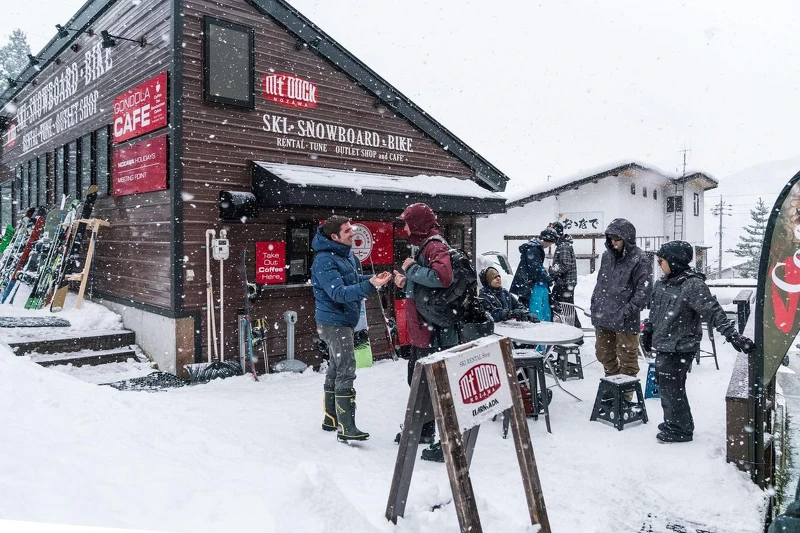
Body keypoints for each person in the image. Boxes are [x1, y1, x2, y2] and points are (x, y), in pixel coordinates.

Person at [641, 241, 755, 443]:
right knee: (666, 384)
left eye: (661, 260)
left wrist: (732, 335)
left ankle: (680, 429)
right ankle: (675, 422)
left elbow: (713, 312)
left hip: (680, 345)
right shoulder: (663, 283)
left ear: (674, 261)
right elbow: (655, 311)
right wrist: (648, 329)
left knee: (672, 387)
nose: (659, 264)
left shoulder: (692, 285)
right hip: (664, 343)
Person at [312, 215, 392, 442]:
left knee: (337, 366)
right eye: (348, 231)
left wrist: (373, 278)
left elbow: (352, 280)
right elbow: (338, 293)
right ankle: (346, 426)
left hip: (342, 319)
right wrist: (369, 286)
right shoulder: (324, 261)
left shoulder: (345, 255)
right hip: (334, 322)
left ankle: (330, 418)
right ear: (335, 236)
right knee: (346, 367)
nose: (353, 233)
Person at [392, 202, 456, 462]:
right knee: (419, 379)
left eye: (407, 222)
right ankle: (425, 430)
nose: (405, 228)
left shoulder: (434, 246)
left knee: (432, 382)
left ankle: (444, 438)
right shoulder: (426, 246)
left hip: (432, 329)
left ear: (418, 223)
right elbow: (427, 287)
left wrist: (411, 269)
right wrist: (407, 282)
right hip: (424, 327)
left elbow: (443, 278)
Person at [590, 218, 650, 384]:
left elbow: (643, 291)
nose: (613, 243)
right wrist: (595, 305)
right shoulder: (606, 256)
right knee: (603, 354)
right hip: (603, 316)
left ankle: (626, 394)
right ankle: (613, 385)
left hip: (626, 319)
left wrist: (626, 311)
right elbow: (600, 283)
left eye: (617, 239)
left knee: (628, 359)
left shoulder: (640, 258)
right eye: (611, 239)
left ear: (627, 239)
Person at [510, 227, 557, 321]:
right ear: (547, 240)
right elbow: (535, 269)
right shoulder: (533, 249)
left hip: (527, 284)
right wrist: (548, 278)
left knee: (532, 309)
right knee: (534, 310)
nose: (550, 245)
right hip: (529, 285)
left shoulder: (534, 248)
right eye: (551, 243)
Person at [549, 221, 581, 328]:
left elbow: (565, 265)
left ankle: (574, 331)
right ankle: (572, 329)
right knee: (566, 307)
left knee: (566, 308)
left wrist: (552, 270)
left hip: (566, 282)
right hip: (565, 282)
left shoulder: (563, 246)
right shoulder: (562, 244)